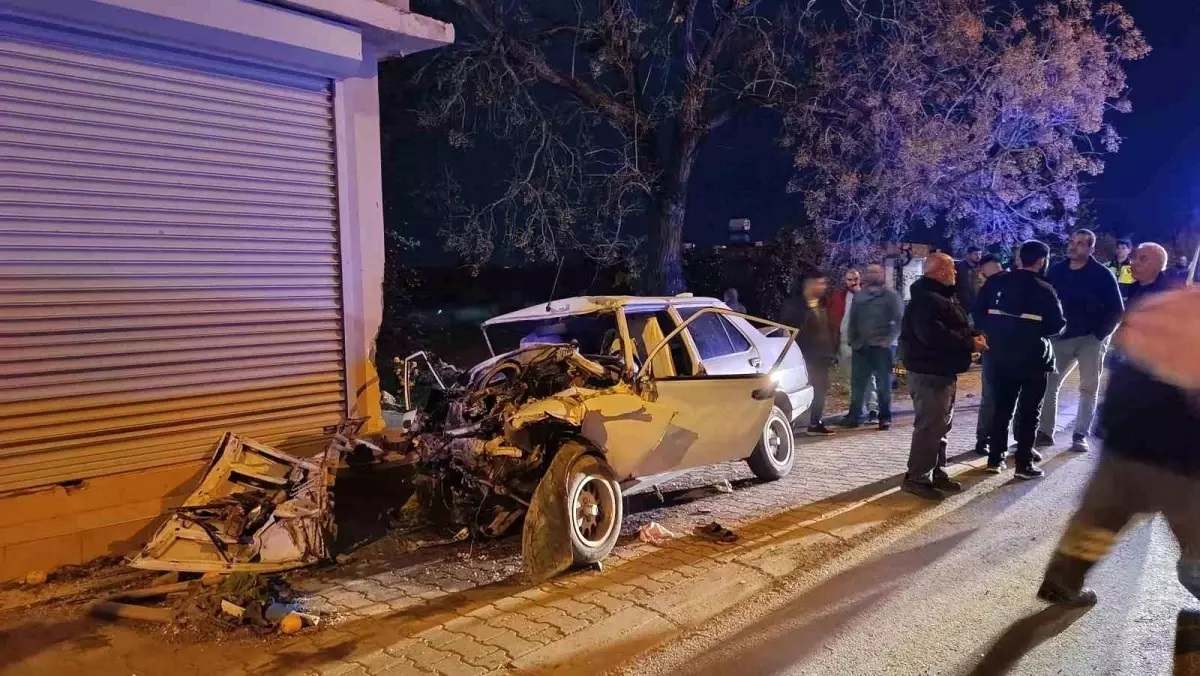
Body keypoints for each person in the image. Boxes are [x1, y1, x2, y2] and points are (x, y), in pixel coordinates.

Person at [898, 254, 987, 500]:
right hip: (929, 373)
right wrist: (969, 343)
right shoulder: (926, 300)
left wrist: (973, 334)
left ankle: (937, 471)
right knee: (930, 427)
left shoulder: (940, 296)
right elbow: (934, 336)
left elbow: (953, 327)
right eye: (952, 268)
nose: (956, 273)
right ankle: (916, 478)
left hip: (941, 371)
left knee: (941, 425)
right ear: (941, 272)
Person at [973, 241, 1065, 479]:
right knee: (1029, 411)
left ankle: (995, 459)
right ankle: (1024, 464)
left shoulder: (996, 283)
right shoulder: (1044, 289)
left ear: (1018, 259)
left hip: (1000, 355)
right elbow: (1056, 325)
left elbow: (978, 314)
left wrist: (996, 332)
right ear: (1041, 261)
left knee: (1001, 408)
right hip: (1033, 358)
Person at [1036, 229, 1124, 453]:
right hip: (1061, 338)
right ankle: (1045, 432)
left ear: (1091, 248)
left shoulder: (1102, 274)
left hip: (1090, 339)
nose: (1073, 247)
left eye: (1080, 243)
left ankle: (1080, 434)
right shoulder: (1057, 271)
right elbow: (1045, 300)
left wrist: (1100, 335)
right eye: (1072, 242)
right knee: (1049, 383)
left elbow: (1117, 309)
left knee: (1088, 387)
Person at [844, 263, 903, 431]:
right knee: (858, 385)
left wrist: (889, 340)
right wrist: (853, 340)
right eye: (870, 272)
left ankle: (884, 417)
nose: (872, 275)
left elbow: (899, 320)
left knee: (884, 385)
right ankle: (854, 416)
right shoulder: (860, 296)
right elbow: (853, 320)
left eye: (876, 272)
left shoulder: (890, 296)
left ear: (882, 274)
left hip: (882, 349)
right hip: (861, 348)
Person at [781, 270, 837, 436]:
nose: (824, 287)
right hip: (804, 357)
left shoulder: (822, 305)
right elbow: (786, 331)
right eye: (820, 283)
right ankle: (793, 424)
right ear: (809, 284)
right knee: (802, 390)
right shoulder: (795, 307)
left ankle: (815, 422)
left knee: (820, 390)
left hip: (822, 357)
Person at [831, 269, 880, 421]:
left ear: (860, 279)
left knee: (868, 376)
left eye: (855, 279)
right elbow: (834, 318)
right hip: (844, 343)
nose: (853, 282)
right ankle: (856, 409)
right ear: (845, 281)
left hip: (864, 343)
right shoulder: (840, 297)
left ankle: (873, 408)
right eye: (850, 279)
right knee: (850, 378)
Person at [972, 254, 1008, 457]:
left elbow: (978, 315)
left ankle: (984, 439)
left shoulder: (990, 286)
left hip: (993, 346)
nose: (981, 272)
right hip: (1008, 347)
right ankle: (996, 439)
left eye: (982, 268)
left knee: (991, 396)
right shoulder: (1011, 282)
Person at [956, 246, 984, 316]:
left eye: (980, 254)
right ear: (968, 255)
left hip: (979, 303)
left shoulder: (982, 267)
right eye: (976, 254)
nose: (978, 256)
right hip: (964, 303)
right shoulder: (959, 267)